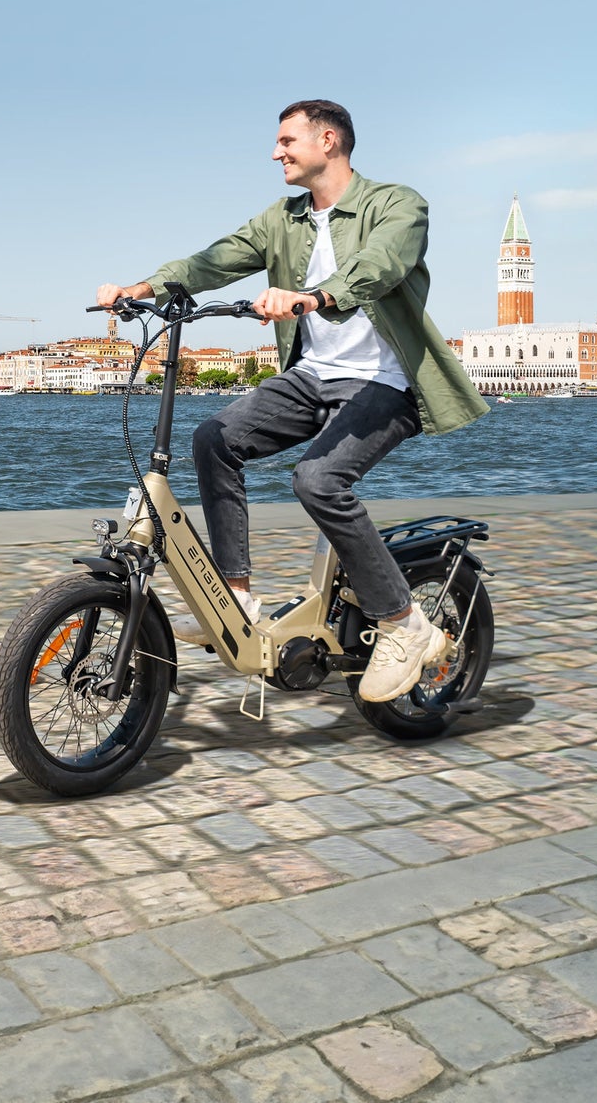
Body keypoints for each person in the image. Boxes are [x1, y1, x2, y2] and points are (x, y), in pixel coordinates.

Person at [97, 101, 488, 702]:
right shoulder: (284, 218)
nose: (276, 152)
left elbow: (378, 266)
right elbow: (214, 260)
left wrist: (312, 297)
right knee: (214, 439)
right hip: (312, 378)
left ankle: (404, 624)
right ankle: (238, 595)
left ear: (327, 140)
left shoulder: (399, 205)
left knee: (318, 480)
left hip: (384, 381)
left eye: (287, 140)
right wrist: (140, 288)